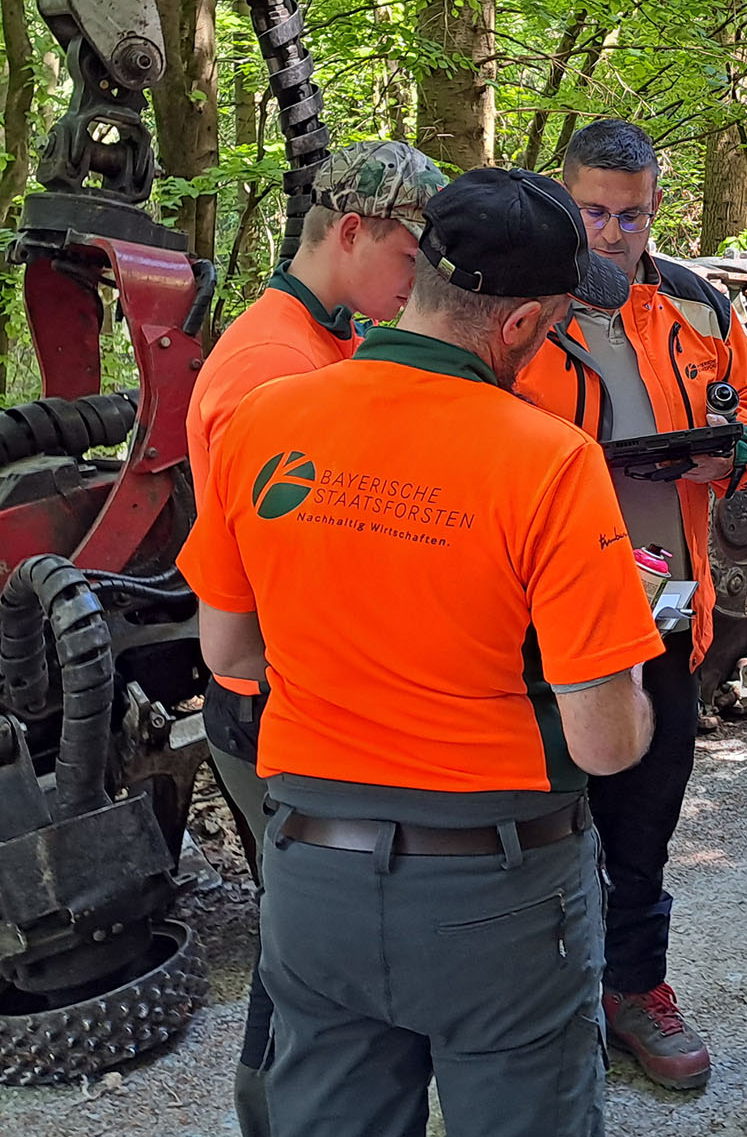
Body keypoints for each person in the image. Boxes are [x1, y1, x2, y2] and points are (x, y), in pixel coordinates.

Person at [178, 167, 658, 1137]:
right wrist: (628, 643)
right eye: (560, 321)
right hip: (499, 898)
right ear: (519, 327)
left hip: (314, 879)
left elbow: (229, 646)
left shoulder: (266, 420)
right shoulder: (552, 463)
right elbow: (607, 743)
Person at [181, 138, 448, 1137]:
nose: (416, 285)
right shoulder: (269, 368)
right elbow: (277, 572)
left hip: (298, 696)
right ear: (351, 232)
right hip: (276, 707)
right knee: (310, 952)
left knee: (309, 943)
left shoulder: (323, 340)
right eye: (408, 261)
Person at [511, 118, 747, 1091]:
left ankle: (635, 989)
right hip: (533, 608)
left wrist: (734, 448)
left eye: (632, 214)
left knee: (649, 805)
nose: (614, 232)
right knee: (543, 807)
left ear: (655, 208)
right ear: (563, 199)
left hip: (661, 600)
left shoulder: (697, 307)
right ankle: (546, 1002)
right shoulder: (515, 301)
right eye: (593, 211)